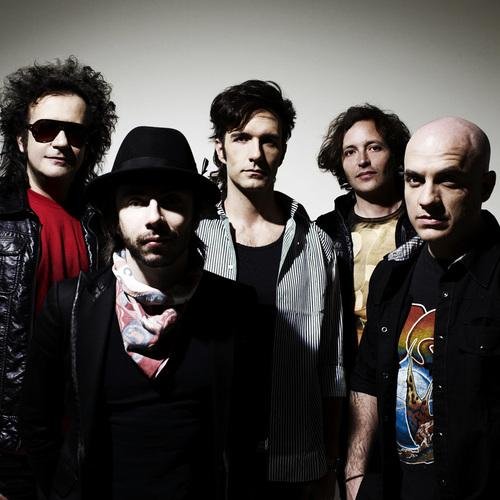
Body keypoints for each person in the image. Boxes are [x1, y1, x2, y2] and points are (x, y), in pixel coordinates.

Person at [20, 126, 260, 499]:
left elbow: (247, 432)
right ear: (114, 216)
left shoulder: (236, 307)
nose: (154, 217)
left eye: (172, 201)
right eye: (135, 201)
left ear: (195, 214)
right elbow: (37, 423)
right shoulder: (71, 304)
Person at [197, 80, 344, 499]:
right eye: (241, 138)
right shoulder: (193, 236)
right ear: (220, 148)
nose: (256, 153)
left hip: (294, 462)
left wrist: (330, 463)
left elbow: (332, 367)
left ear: (282, 150)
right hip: (206, 460)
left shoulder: (317, 245)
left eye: (269, 141)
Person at [346, 117, 497, 499]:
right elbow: (367, 379)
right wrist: (354, 474)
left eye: (448, 180)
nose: (427, 198)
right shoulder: (392, 274)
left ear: (485, 186)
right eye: (414, 180)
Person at [0, 56, 116, 499]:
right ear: (20, 137)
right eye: (47, 129)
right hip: (10, 447)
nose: (62, 142)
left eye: (76, 132)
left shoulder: (101, 225)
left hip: (80, 442)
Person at [317, 104, 415, 350]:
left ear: (395, 154)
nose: (362, 160)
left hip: (407, 360)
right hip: (343, 363)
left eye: (374, 147)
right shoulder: (325, 230)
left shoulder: (421, 225)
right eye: (350, 152)